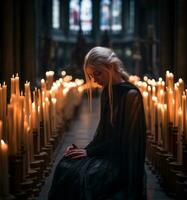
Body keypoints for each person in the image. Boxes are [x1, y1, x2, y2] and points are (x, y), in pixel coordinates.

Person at [48, 46, 146, 200]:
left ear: (111, 67)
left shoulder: (131, 95)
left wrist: (89, 153)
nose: (95, 80)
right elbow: (103, 134)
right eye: (91, 76)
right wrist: (84, 150)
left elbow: (126, 143)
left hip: (121, 162)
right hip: (106, 152)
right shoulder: (106, 92)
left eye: (97, 74)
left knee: (82, 176)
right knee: (65, 164)